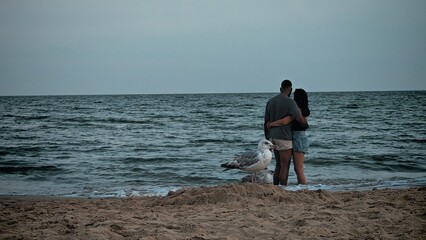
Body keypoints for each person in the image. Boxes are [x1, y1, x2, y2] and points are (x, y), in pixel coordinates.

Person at [264, 80, 308, 186]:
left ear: (280, 89)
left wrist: (267, 137)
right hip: (284, 137)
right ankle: (283, 188)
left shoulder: (270, 101)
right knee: (285, 166)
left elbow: (265, 122)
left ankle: (275, 187)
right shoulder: (290, 102)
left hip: (272, 136)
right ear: (290, 90)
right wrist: (305, 125)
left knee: (278, 165)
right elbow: (301, 120)